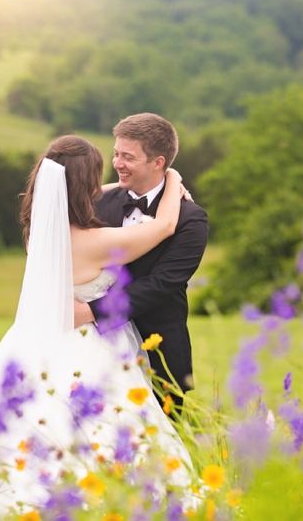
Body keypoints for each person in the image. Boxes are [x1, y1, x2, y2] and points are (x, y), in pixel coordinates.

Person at [0, 135, 194, 513]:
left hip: (34, 341)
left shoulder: (37, 233)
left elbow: (77, 193)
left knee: (30, 420)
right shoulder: (98, 242)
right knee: (102, 429)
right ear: (86, 187)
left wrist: (95, 183)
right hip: (91, 346)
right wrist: (171, 177)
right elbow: (165, 225)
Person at [75, 113, 208, 414]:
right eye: (116, 154)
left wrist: (90, 312)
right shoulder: (97, 204)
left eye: (128, 157)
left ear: (158, 162)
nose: (117, 163)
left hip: (158, 349)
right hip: (94, 346)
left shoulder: (191, 219)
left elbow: (161, 284)